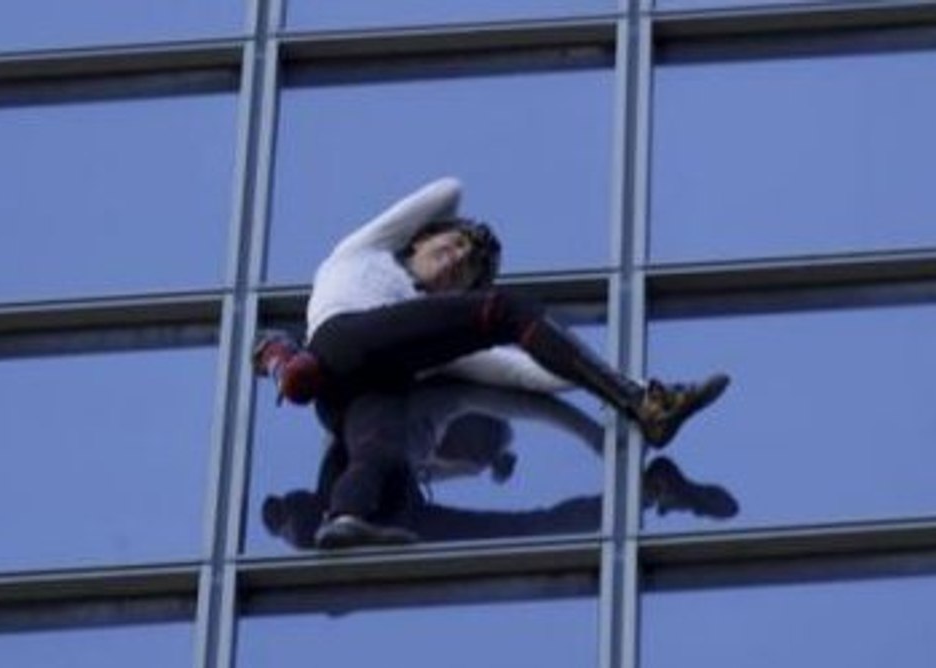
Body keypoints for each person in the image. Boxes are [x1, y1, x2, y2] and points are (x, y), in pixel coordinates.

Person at [255, 177, 729, 549]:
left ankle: (345, 517)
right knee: (505, 311)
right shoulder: (368, 253)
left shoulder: (432, 337)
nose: (455, 261)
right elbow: (449, 189)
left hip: (351, 394)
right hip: (344, 338)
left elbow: (526, 374)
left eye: (464, 270)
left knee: (381, 454)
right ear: (416, 240)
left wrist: (615, 381)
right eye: (451, 247)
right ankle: (642, 405)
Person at [261, 379, 738, 550]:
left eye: (475, 453)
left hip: (393, 513)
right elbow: (531, 410)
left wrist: (601, 442)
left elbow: (526, 411)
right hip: (362, 495)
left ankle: (650, 493)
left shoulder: (437, 429)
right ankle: (650, 492)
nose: (466, 457)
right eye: (472, 450)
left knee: (528, 529)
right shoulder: (422, 409)